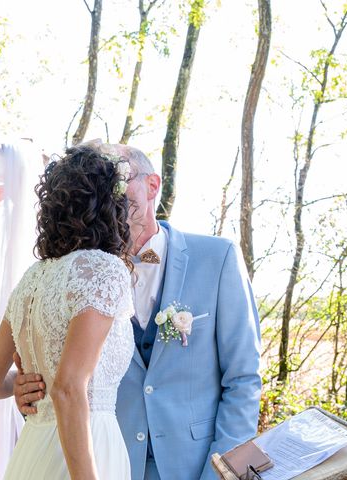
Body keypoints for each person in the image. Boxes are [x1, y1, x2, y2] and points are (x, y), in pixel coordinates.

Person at [14, 143, 262, 480]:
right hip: (108, 463)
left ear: (152, 186)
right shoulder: (82, 276)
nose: (108, 191)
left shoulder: (218, 258)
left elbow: (243, 379)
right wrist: (29, 390)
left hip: (199, 466)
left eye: (118, 178)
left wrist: (224, 471)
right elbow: (64, 375)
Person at [0, 145, 136, 479]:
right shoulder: (103, 269)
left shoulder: (31, 279)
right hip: (83, 452)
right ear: (111, 207)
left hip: (33, 449)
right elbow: (67, 388)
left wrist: (22, 383)